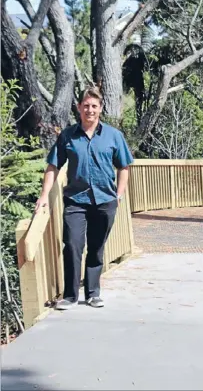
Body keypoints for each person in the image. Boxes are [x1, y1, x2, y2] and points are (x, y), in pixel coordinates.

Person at [35, 87, 134, 310]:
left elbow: (124, 166)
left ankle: (92, 293)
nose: (90, 110)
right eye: (86, 105)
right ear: (79, 108)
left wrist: (119, 194)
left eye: (94, 106)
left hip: (105, 200)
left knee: (96, 248)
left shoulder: (113, 136)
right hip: (76, 200)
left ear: (100, 109)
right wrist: (43, 196)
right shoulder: (68, 136)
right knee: (72, 245)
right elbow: (53, 166)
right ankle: (70, 296)